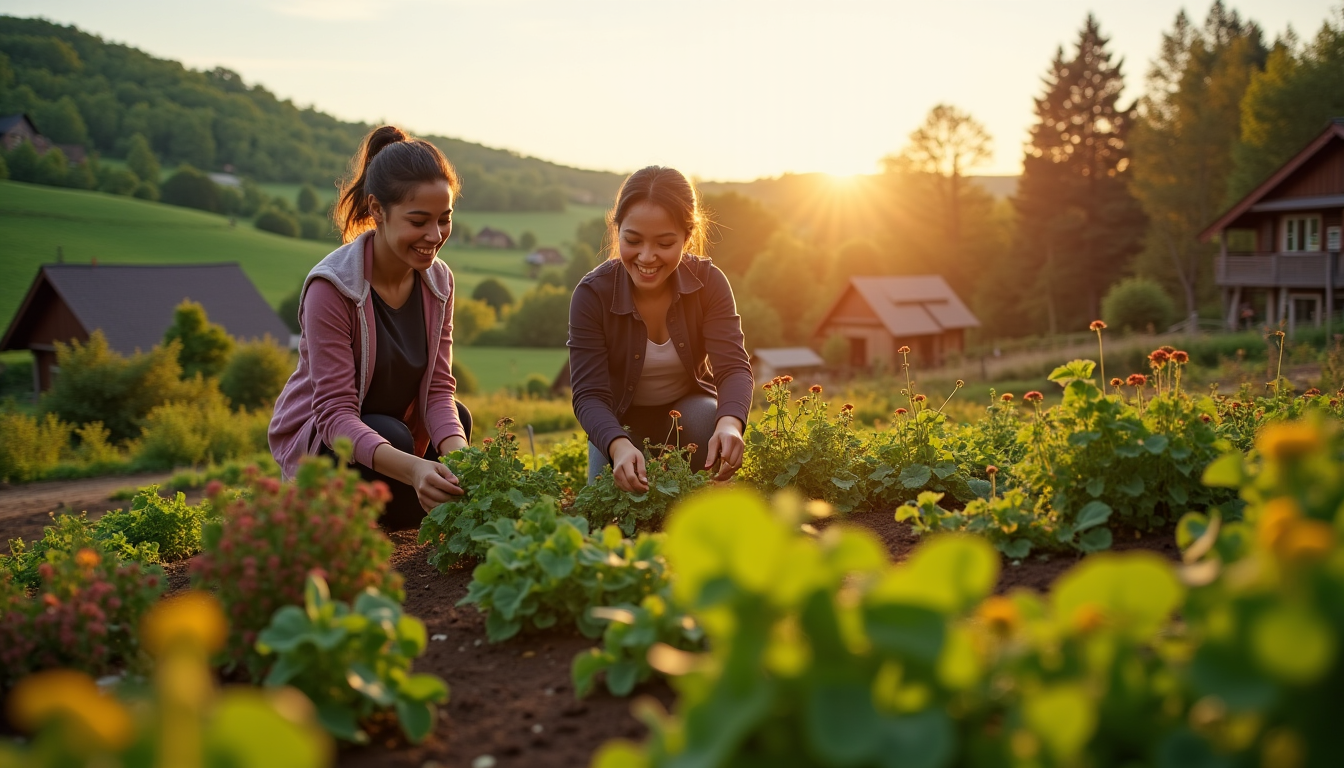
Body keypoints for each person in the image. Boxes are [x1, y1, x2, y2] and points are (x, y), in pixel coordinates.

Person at [269, 125, 470, 530]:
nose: (434, 236)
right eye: (419, 221)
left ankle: (401, 512)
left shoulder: (439, 282)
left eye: (444, 220)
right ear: (378, 210)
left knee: (458, 424)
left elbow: (437, 390)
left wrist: (465, 461)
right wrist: (416, 471)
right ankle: (317, 511)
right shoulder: (332, 289)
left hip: (394, 442)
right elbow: (333, 415)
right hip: (332, 447)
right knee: (391, 433)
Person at [568, 166, 753, 492]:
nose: (647, 256)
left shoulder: (709, 283)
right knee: (606, 504)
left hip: (688, 415)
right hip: (617, 424)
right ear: (617, 230)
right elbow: (589, 395)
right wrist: (617, 445)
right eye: (633, 240)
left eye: (665, 243)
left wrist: (730, 423)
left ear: (687, 237)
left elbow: (734, 368)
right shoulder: (591, 294)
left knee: (711, 425)